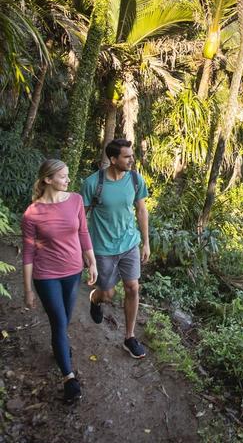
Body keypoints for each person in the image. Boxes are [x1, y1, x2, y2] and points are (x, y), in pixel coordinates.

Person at [22, 159, 97, 404]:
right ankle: (69, 378)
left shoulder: (75, 200)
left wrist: (92, 262)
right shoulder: (32, 213)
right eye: (63, 176)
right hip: (46, 276)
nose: (68, 180)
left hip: (73, 271)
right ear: (48, 180)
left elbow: (83, 232)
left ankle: (61, 348)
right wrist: (28, 290)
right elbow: (29, 253)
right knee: (58, 321)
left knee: (65, 318)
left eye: (67, 176)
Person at [81, 138, 150, 359]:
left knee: (133, 288)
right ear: (113, 159)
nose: (131, 159)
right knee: (108, 293)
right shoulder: (93, 183)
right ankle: (96, 299)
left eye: (131, 155)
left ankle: (129, 337)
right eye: (126, 156)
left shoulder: (136, 180)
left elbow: (141, 211)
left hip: (129, 243)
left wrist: (146, 242)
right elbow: (81, 217)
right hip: (102, 248)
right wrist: (84, 249)